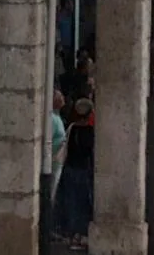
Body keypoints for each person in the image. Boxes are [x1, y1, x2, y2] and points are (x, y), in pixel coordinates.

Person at [56, 98, 95, 251]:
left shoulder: (72, 127)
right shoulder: (91, 132)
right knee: (84, 203)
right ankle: (81, 235)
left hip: (70, 169)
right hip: (83, 171)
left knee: (71, 202)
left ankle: (73, 235)